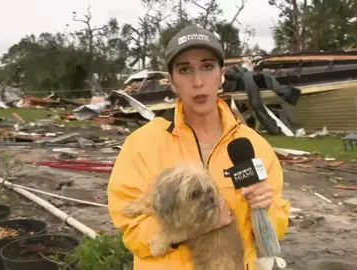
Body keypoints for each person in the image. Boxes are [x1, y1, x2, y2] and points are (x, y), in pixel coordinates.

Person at [107, 24, 290, 270]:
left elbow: (272, 234)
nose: (198, 81)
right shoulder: (142, 145)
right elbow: (132, 229)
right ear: (171, 81)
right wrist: (199, 226)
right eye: (185, 70)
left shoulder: (254, 147)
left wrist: (265, 210)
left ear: (221, 74)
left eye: (207, 67)